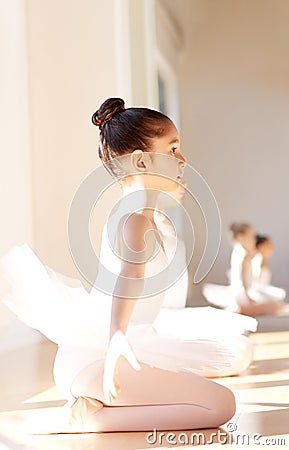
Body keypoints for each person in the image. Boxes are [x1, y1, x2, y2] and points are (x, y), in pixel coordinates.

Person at [0, 98, 243, 433]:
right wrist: (116, 337)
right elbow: (127, 280)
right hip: (99, 360)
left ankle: (91, 409)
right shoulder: (133, 220)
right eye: (173, 150)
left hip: (100, 358)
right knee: (220, 405)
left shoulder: (146, 218)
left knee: (222, 374)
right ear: (142, 161)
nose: (183, 160)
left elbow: (162, 295)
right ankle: (89, 418)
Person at [203, 223, 285, 316]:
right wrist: (247, 296)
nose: (254, 239)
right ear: (240, 237)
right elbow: (243, 279)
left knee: (276, 303)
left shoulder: (240, 252)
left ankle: (240, 309)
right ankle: (240, 309)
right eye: (251, 236)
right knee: (275, 305)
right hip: (242, 293)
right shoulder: (243, 254)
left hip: (241, 292)